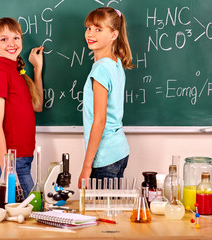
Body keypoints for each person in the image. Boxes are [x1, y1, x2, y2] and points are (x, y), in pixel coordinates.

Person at [0, 17, 44, 198]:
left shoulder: (16, 72)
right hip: (12, 161)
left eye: (16, 37)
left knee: (28, 211)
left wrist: (37, 69)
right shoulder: (0, 73)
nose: (12, 43)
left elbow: (37, 106)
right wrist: (8, 170)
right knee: (31, 211)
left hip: (23, 158)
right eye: (4, 39)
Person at [78, 7, 134, 188]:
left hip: (105, 156)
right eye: (89, 28)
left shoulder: (101, 69)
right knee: (111, 211)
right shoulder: (115, 62)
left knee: (101, 214)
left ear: (114, 35)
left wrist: (86, 167)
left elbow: (100, 120)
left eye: (98, 29)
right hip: (119, 150)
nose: (90, 34)